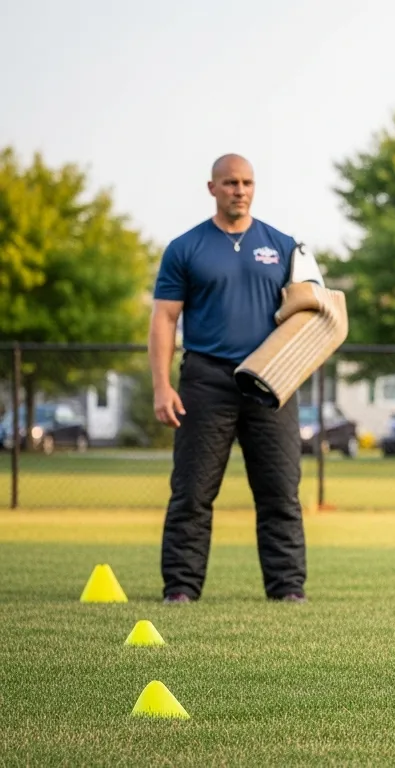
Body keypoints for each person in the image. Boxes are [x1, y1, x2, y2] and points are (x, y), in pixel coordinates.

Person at [149, 153, 324, 604]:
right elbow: (165, 319)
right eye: (229, 183)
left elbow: (309, 314)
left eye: (246, 183)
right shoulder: (185, 248)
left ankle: (288, 589)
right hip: (206, 381)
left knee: (280, 491)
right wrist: (162, 385)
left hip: (271, 383)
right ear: (212, 188)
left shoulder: (284, 246)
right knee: (192, 492)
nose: (239, 190)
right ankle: (181, 590)